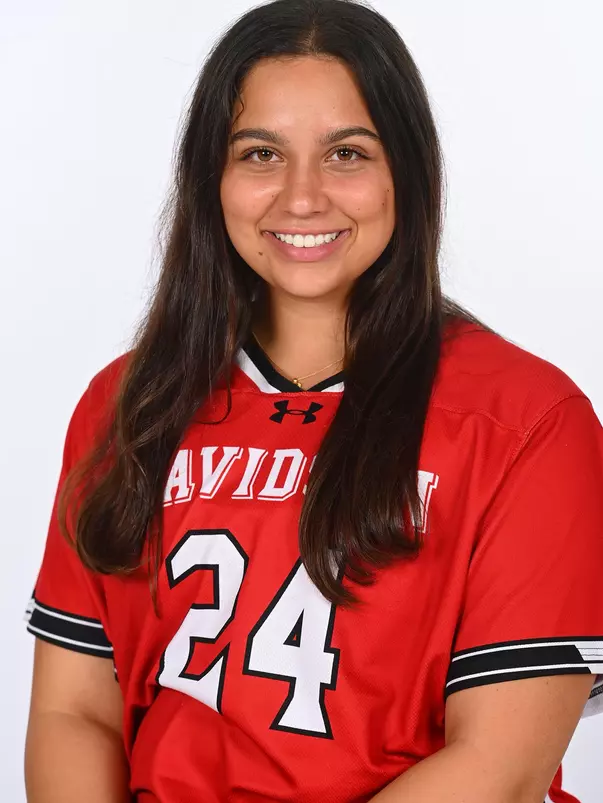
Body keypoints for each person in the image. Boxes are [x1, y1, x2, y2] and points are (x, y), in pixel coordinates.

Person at [24, 1, 603, 801]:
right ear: (211, 176)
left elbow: (499, 770)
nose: (301, 197)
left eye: (346, 154)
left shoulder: (528, 421)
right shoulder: (129, 403)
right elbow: (72, 711)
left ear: (407, 170)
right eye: (261, 153)